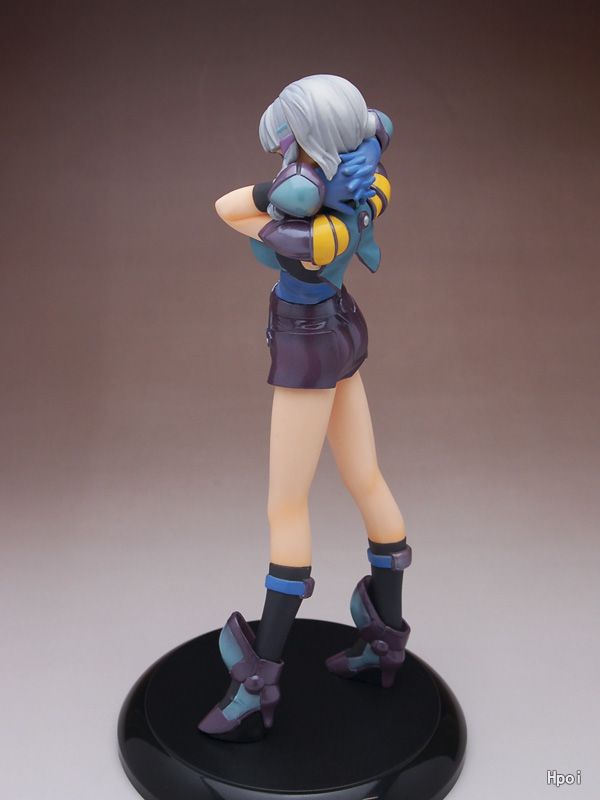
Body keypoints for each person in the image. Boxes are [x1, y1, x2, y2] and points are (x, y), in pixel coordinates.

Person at [198, 74, 412, 742]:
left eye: (291, 131)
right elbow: (377, 136)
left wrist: (282, 188)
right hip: (344, 328)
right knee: (366, 479)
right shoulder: (369, 186)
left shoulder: (314, 226)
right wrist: (343, 155)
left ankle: (257, 681)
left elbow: (227, 207)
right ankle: (385, 643)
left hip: (307, 345)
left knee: (286, 507)